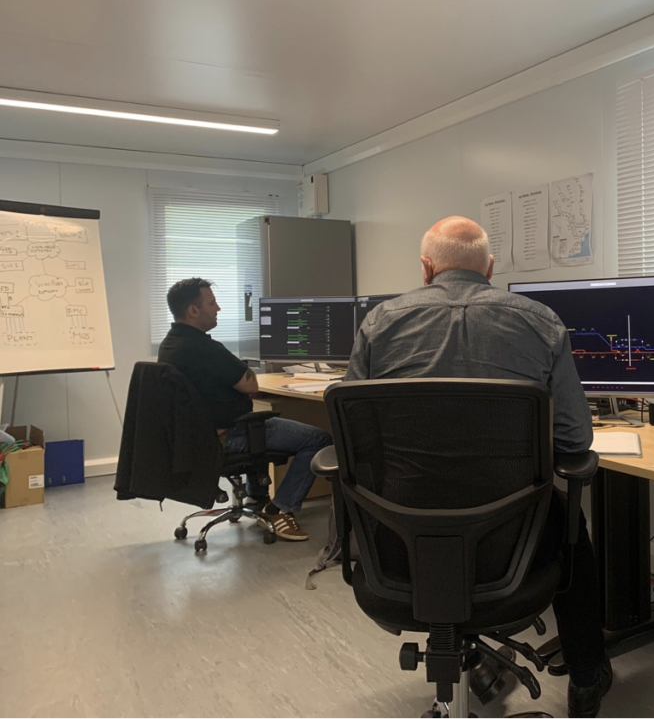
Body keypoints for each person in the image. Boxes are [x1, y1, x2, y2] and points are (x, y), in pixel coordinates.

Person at [346, 217, 611, 718]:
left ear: (426, 267)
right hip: (512, 547)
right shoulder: (541, 322)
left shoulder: (379, 323)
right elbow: (575, 440)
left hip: (400, 547)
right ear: (490, 267)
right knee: (569, 524)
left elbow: (355, 440)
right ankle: (586, 676)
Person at [158, 278, 331, 542]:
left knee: (257, 423)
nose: (218, 309)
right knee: (320, 439)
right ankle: (279, 508)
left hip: (202, 435)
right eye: (212, 303)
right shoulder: (203, 347)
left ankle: (256, 497)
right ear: (193, 310)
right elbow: (249, 383)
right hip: (230, 434)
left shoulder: (171, 344)